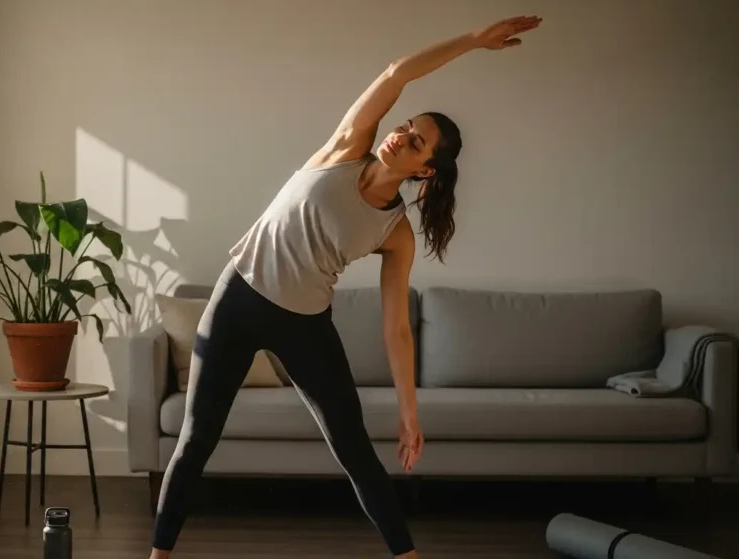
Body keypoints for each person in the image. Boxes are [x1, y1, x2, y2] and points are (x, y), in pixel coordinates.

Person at [149, 15, 543, 559]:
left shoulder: (396, 232)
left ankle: (407, 556)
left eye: (417, 143)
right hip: (237, 297)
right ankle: (158, 557)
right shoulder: (346, 145)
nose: (401, 135)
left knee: (354, 449)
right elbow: (396, 72)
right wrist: (474, 41)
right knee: (196, 440)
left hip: (305, 325)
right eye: (407, 125)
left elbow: (397, 327)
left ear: (425, 171)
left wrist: (409, 411)